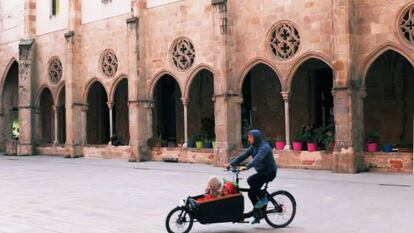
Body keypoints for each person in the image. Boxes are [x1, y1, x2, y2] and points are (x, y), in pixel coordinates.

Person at [225, 129, 277, 224]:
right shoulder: (253, 147)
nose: (248, 139)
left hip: (269, 172)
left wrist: (246, 167)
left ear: (256, 137)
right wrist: (230, 164)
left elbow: (257, 159)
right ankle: (258, 213)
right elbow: (243, 156)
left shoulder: (264, 147)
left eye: (250, 137)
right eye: (248, 137)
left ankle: (263, 198)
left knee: (251, 180)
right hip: (262, 172)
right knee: (251, 193)